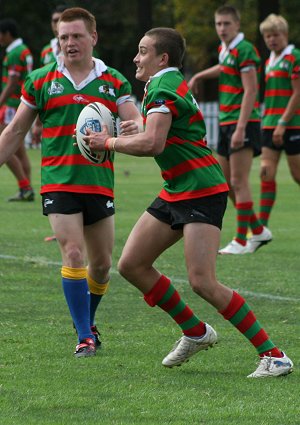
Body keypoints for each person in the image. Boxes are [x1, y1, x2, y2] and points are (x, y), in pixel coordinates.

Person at [83, 27, 293, 377]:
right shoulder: (164, 83)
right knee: (133, 264)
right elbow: (165, 133)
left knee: (202, 281)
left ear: (161, 58)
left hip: (201, 188)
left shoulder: (164, 86)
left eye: (143, 51)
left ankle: (274, 355)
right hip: (177, 187)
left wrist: (109, 143)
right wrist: (135, 133)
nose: (136, 58)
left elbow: (154, 145)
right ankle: (195, 332)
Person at [0, 7, 142, 357]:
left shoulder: (114, 81)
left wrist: (134, 126)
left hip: (98, 182)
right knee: (73, 253)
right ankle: (84, 336)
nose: (69, 43)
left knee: (103, 265)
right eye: (64, 37)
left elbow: (135, 120)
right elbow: (16, 130)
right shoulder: (41, 80)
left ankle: (87, 321)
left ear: (93, 37)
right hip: (58, 181)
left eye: (76, 36)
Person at [188, 5, 271, 255]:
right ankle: (257, 230)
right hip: (226, 121)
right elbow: (224, 68)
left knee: (238, 180)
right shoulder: (226, 49)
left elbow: (252, 90)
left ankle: (242, 240)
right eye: (218, 24)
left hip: (241, 122)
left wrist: (241, 127)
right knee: (224, 182)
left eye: (226, 24)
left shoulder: (245, 49)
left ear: (237, 24)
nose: (221, 29)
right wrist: (199, 76)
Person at [258, 14, 300, 226]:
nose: (271, 39)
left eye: (275, 35)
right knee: (266, 173)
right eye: (267, 36)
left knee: (297, 174)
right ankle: (260, 230)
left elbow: (298, 93)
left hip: (292, 125)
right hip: (269, 124)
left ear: (285, 34)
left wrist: (283, 123)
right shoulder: (269, 62)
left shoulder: (295, 57)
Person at [0, 18, 34, 201]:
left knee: (7, 145)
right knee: (19, 149)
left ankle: (25, 185)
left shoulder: (13, 53)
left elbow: (13, 82)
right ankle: (26, 189)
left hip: (12, 105)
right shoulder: (24, 50)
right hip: (21, 102)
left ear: (6, 34)